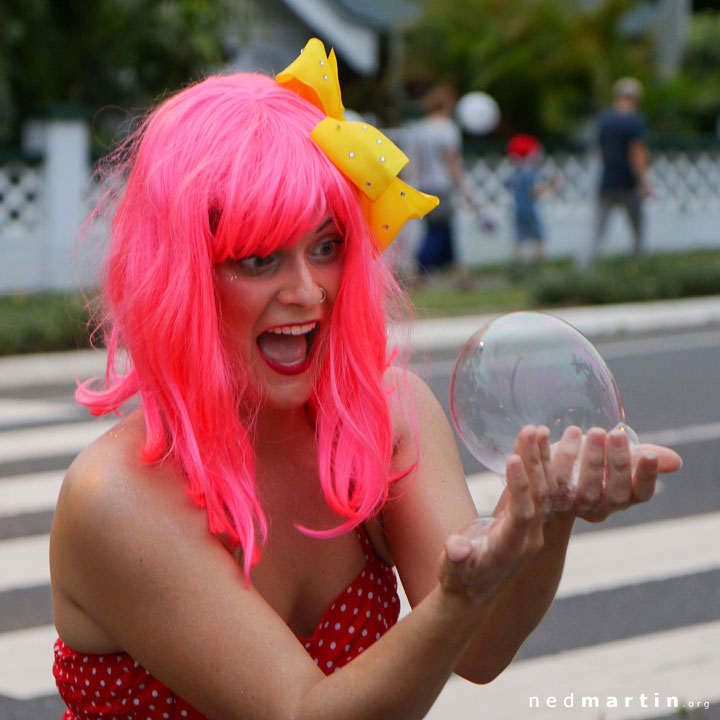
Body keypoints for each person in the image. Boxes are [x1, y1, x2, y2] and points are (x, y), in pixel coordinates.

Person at [50, 39, 681, 720]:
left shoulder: (384, 415)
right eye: (258, 259)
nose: (308, 291)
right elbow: (303, 711)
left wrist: (548, 515)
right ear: (180, 280)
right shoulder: (114, 495)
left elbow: (482, 650)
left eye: (326, 246)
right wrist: (458, 599)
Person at [404, 84, 491, 287]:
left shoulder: (419, 129)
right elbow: (452, 162)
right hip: (442, 186)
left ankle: (458, 273)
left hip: (423, 185)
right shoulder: (446, 129)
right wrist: (464, 187)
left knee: (444, 228)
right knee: (438, 230)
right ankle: (420, 272)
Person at [579, 77, 651, 269]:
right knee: (637, 228)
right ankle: (637, 266)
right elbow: (637, 152)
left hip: (607, 181)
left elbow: (599, 152)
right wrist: (643, 181)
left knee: (597, 230)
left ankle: (583, 268)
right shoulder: (634, 121)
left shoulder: (605, 120)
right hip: (627, 182)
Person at [505, 134, 562, 266]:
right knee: (539, 239)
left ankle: (514, 267)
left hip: (516, 209)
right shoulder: (529, 172)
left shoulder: (515, 172)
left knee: (519, 240)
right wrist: (552, 185)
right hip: (530, 209)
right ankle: (537, 267)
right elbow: (534, 191)